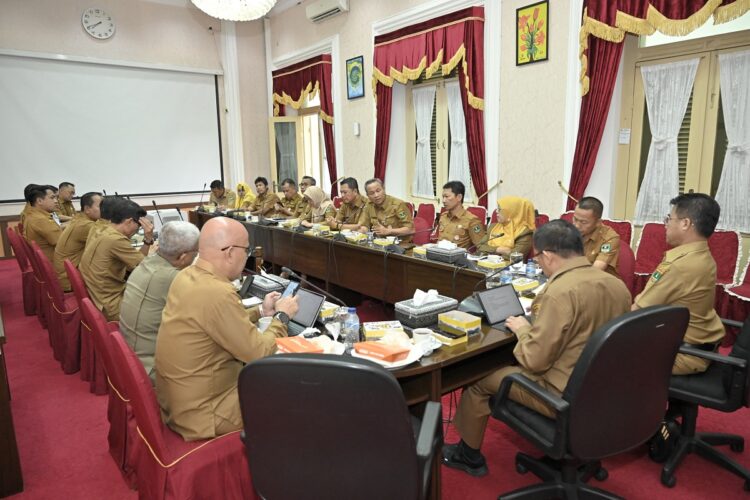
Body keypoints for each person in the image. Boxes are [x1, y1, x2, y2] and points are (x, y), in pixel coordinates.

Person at [443, 220, 631, 477]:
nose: (538, 264)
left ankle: (468, 456)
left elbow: (534, 361)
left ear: (549, 256)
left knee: (479, 380)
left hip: (561, 393)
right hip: (604, 389)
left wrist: (522, 328)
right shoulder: (616, 284)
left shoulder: (560, 291)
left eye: (538, 258)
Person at [155, 217, 299, 441]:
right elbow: (259, 353)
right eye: (247, 249)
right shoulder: (217, 292)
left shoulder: (186, 276)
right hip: (207, 412)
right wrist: (282, 316)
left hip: (180, 400)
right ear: (230, 252)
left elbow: (215, 322)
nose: (247, 256)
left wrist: (261, 312)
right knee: (298, 391)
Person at [632, 193, 724, 375]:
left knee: (606, 355)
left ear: (685, 223)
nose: (666, 224)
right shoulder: (704, 256)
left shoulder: (679, 266)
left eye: (669, 218)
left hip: (684, 354)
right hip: (703, 347)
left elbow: (638, 311)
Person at [119, 221, 200, 384]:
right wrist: (259, 311)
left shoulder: (147, 262)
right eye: (196, 252)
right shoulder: (174, 278)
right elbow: (211, 319)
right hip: (152, 368)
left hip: (131, 357)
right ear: (183, 256)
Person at [79, 197, 155, 321]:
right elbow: (145, 267)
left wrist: (146, 243)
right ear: (130, 221)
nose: (137, 231)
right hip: (111, 305)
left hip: (98, 297)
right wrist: (149, 240)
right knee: (160, 303)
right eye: (138, 226)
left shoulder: (102, 229)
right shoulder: (116, 240)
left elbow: (136, 264)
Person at [53, 192, 102, 291]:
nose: (105, 210)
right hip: (70, 279)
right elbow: (110, 240)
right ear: (87, 209)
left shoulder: (79, 218)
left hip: (65, 272)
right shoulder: (86, 225)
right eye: (101, 206)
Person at [572, 196, 620, 278]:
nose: (577, 225)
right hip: (571, 279)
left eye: (583, 222)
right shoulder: (569, 231)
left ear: (598, 222)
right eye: (575, 219)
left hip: (599, 283)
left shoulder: (609, 238)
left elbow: (595, 272)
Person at [357, 178, 415, 243]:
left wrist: (389, 231)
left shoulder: (398, 205)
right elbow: (364, 225)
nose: (376, 195)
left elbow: (411, 230)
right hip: (378, 243)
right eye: (372, 193)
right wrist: (360, 232)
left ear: (384, 189)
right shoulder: (369, 205)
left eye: (378, 191)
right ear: (367, 195)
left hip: (400, 245)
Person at [437, 181, 486, 250]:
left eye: (447, 197)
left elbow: (482, 246)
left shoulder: (472, 220)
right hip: (438, 256)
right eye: (443, 197)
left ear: (459, 197)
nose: (443, 200)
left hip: (457, 259)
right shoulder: (443, 216)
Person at [23, 184, 62, 262]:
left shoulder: (34, 215)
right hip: (56, 263)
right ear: (39, 201)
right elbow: (61, 242)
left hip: (49, 259)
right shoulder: (40, 219)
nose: (56, 201)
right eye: (52, 198)